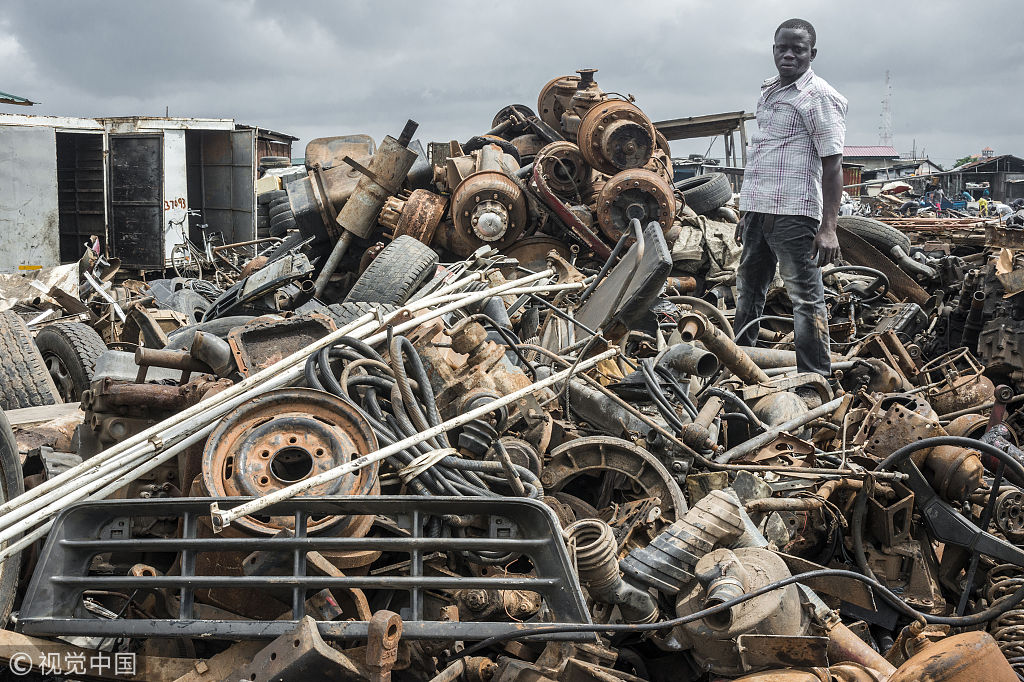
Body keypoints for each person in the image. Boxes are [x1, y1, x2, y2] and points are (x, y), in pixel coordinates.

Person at [735, 18, 847, 377]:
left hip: (794, 215)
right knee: (749, 292)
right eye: (782, 47)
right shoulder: (769, 90)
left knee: (806, 299)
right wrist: (746, 212)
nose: (788, 55)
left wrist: (829, 228)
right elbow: (765, 156)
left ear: (811, 54)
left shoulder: (820, 97)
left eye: (798, 49)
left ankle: (815, 381)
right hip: (758, 212)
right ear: (773, 50)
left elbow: (833, 167)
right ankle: (741, 368)